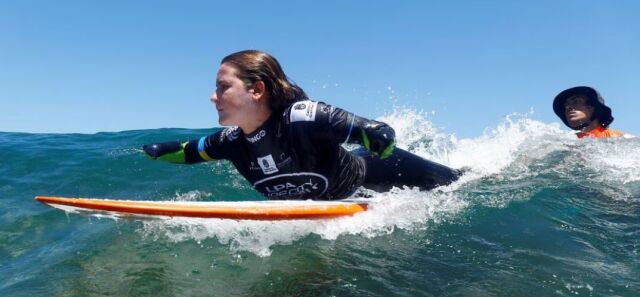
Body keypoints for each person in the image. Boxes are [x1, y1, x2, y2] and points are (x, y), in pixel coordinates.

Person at [143, 50, 462, 200]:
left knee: (460, 183)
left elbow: (373, 130)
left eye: (223, 87)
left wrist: (378, 136)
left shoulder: (304, 118)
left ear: (256, 90)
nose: (214, 97)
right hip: (338, 200)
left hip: (384, 173)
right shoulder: (229, 142)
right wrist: (158, 150)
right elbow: (189, 152)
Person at [552, 86, 625, 139]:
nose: (567, 107)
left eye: (576, 101)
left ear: (593, 107)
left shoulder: (621, 138)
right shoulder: (564, 143)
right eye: (565, 106)